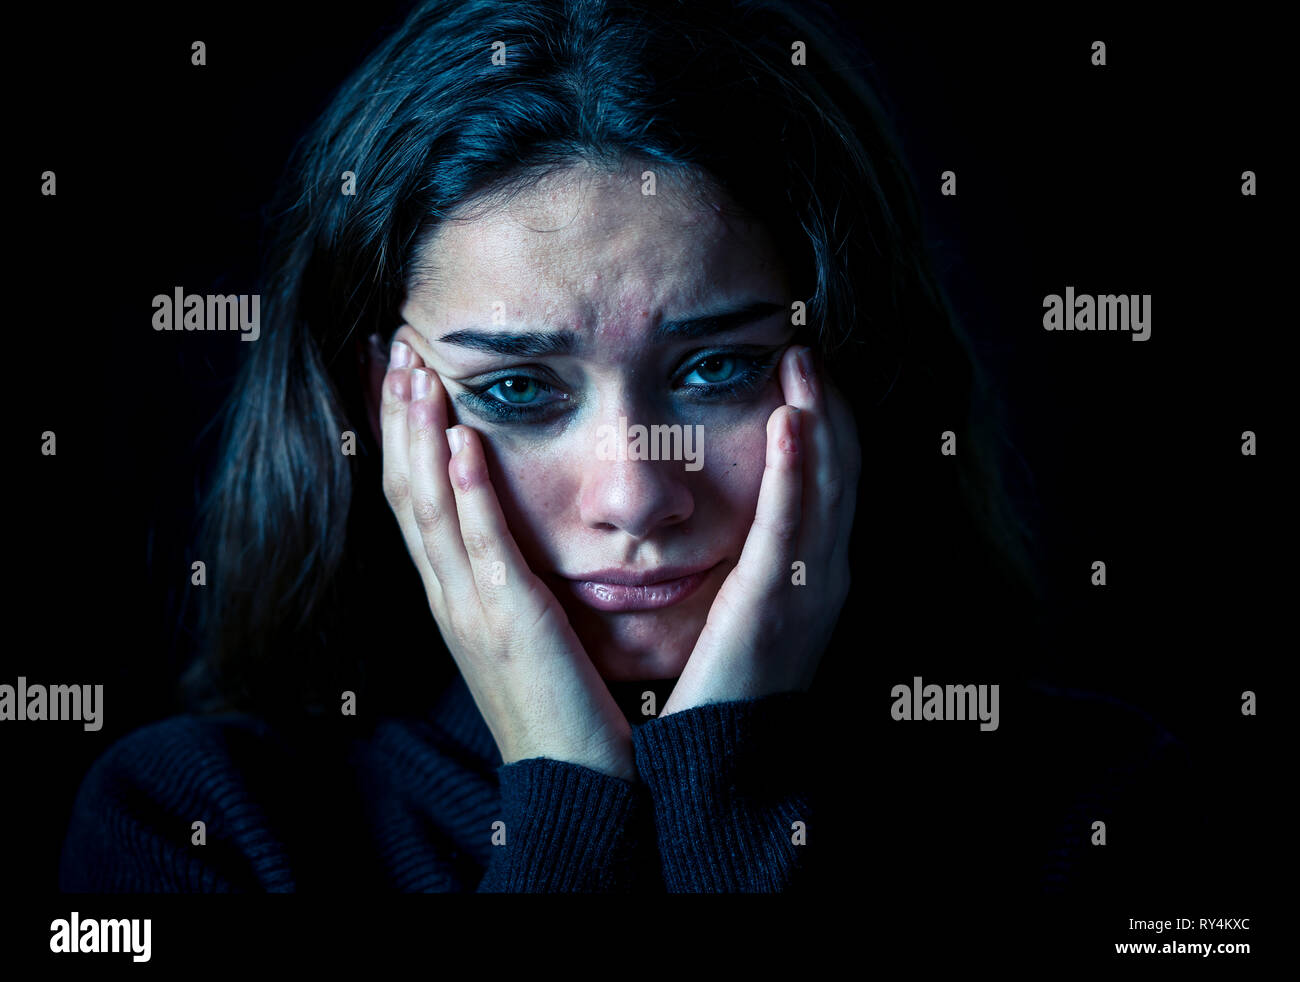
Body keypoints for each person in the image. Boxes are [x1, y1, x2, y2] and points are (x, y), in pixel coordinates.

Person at [59, 0, 1112, 895]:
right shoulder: (195, 824)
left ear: (851, 363)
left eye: (717, 368)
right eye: (516, 389)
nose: (634, 493)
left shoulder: (1091, 806)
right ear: (384, 403)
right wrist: (564, 810)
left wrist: (734, 795)